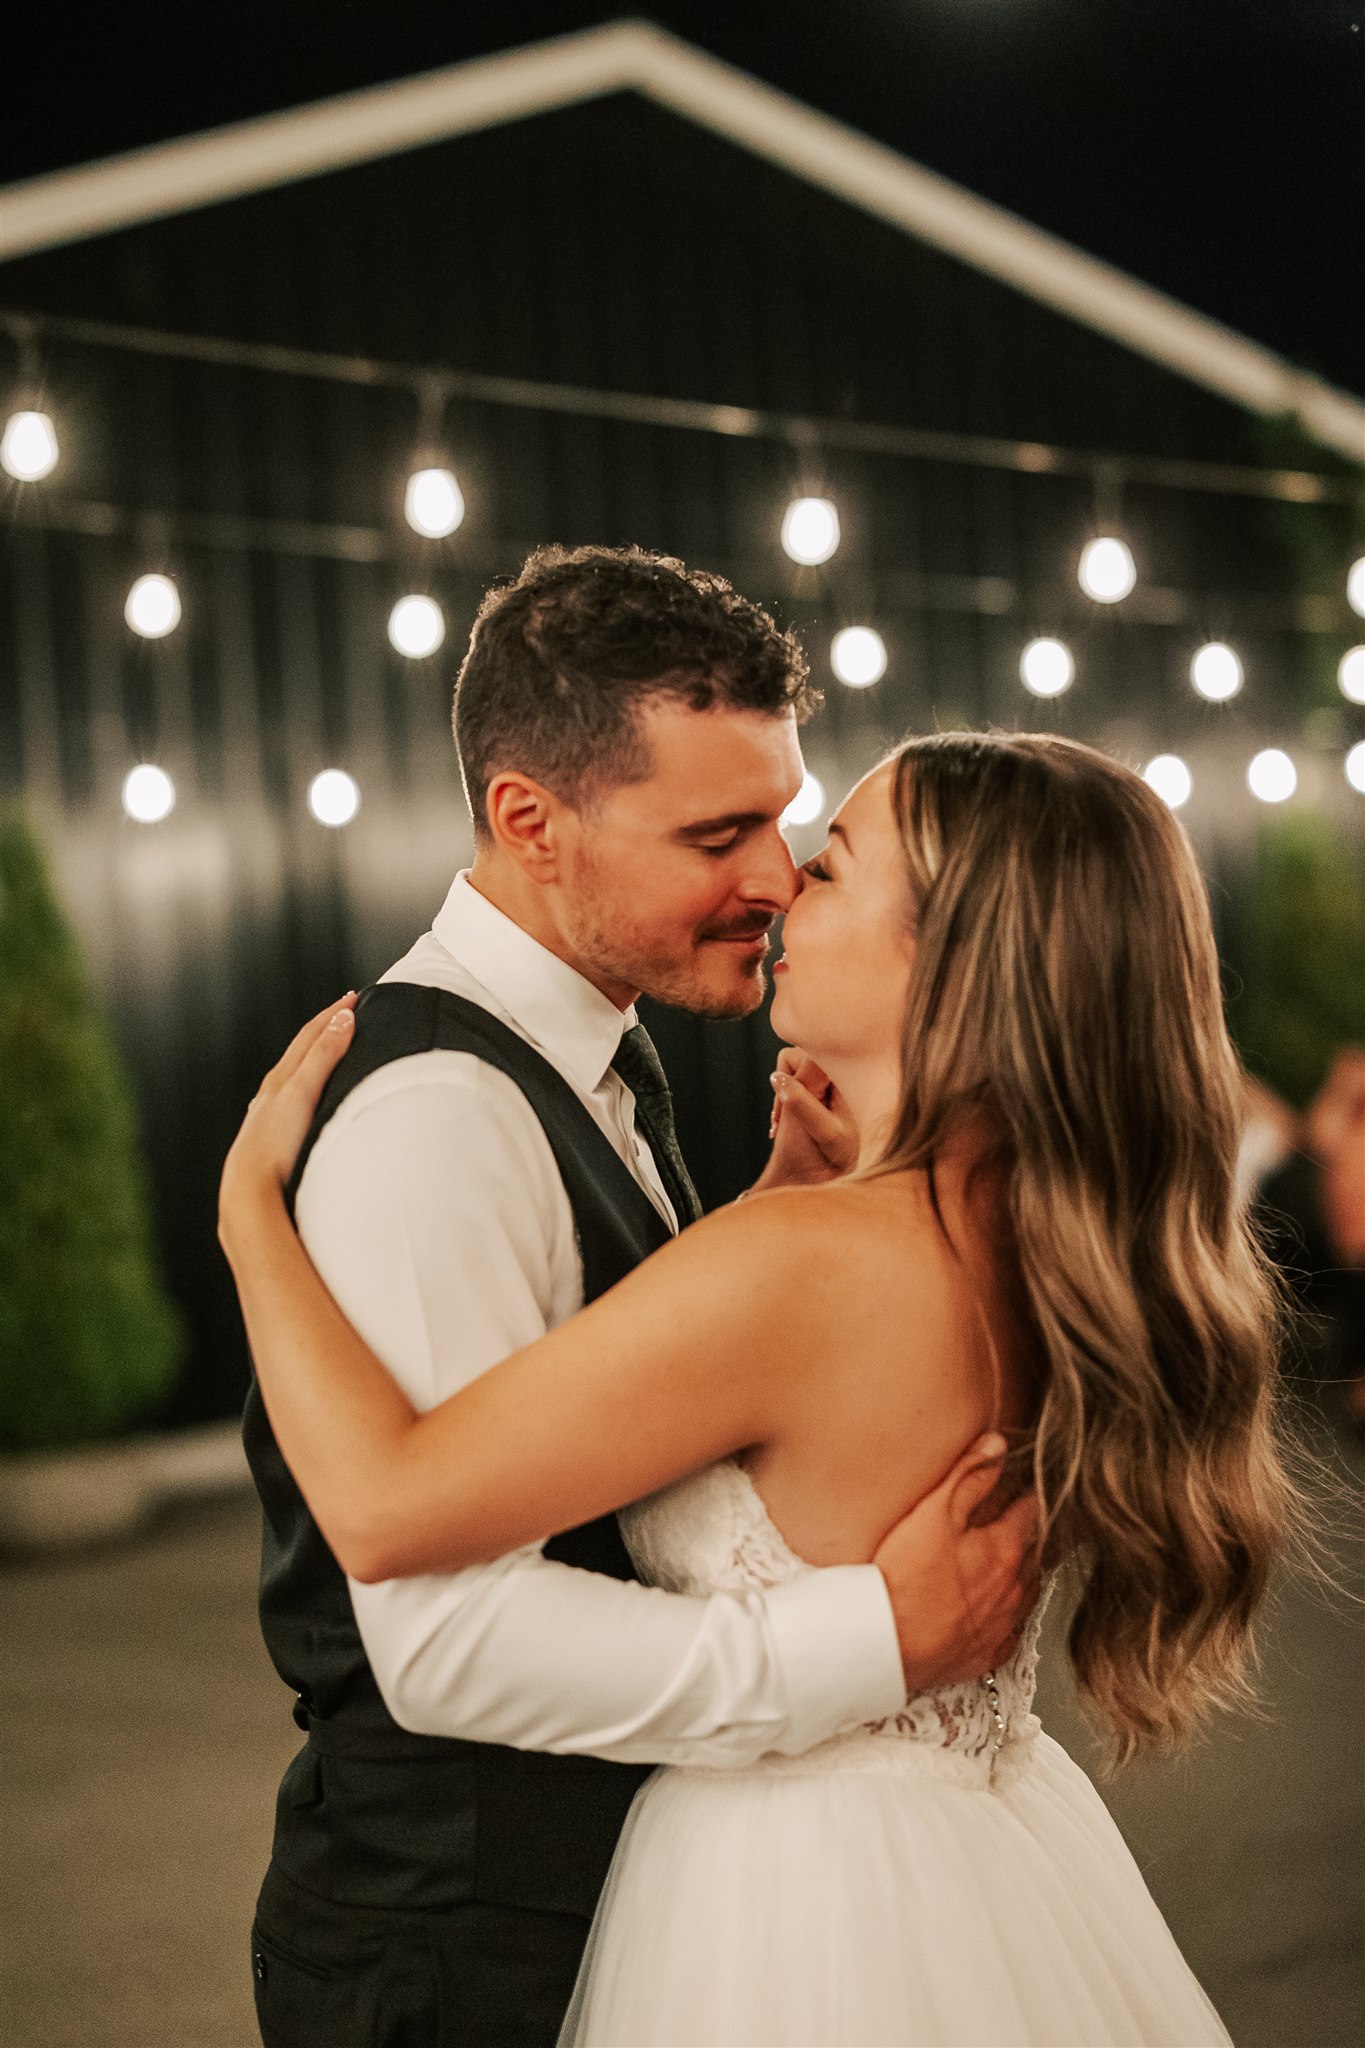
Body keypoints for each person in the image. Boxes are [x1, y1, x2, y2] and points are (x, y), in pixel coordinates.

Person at [222, 724, 1308, 2046]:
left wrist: (252, 1227)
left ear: (952, 967)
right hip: (986, 1860)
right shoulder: (1039, 1243)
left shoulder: (799, 1266)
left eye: (833, 867)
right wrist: (780, 1200)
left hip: (786, 1902)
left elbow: (391, 1509)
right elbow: (782, 1406)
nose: (785, 885)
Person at [231, 546, 1040, 2048]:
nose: (776, 880)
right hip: (459, 1948)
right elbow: (440, 1637)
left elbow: (631, 1403)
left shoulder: (602, 1061)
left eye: (786, 825)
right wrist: (873, 1645)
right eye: (717, 832)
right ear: (528, 822)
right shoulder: (436, 1118)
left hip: (623, 1909)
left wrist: (772, 1213)